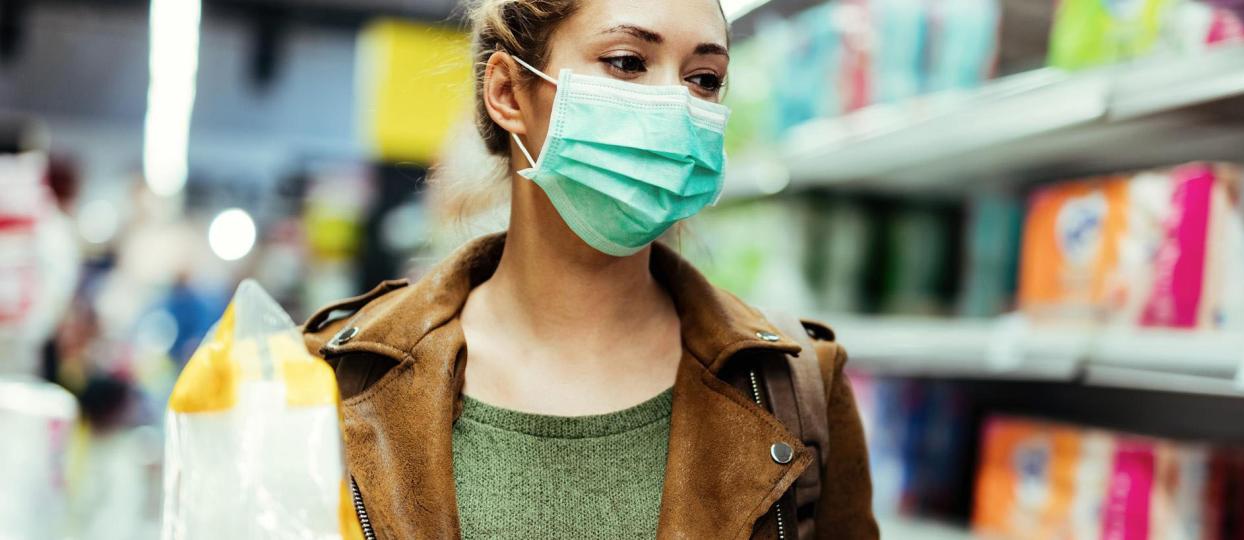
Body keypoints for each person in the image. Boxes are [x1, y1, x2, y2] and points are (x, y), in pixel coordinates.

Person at [301, 0, 878, 538]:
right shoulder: (332, 379)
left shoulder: (797, 385)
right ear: (508, 92)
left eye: (703, 79)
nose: (677, 108)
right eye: (627, 62)